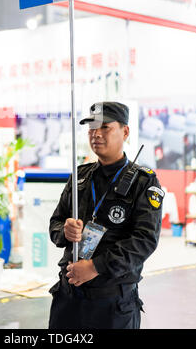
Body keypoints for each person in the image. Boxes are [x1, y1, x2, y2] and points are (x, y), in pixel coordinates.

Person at [48, 101, 164, 330]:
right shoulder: (80, 176)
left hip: (112, 305)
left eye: (105, 128)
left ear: (125, 131)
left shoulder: (144, 182)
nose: (96, 135)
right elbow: (55, 223)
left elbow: (144, 240)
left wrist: (95, 266)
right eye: (91, 129)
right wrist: (65, 230)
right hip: (68, 298)